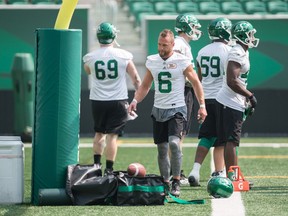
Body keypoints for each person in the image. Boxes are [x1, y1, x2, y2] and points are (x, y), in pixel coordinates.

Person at [128, 29, 207, 196]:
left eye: (165, 45)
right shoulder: (152, 61)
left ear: (173, 45)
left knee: (173, 143)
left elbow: (196, 83)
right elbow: (145, 86)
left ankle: (176, 181)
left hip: (177, 107)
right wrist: (135, 101)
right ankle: (165, 182)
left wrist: (202, 105)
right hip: (158, 109)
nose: (161, 48)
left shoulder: (182, 60)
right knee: (162, 148)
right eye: (159, 44)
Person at [83, 22, 141, 175]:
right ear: (114, 36)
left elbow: (88, 71)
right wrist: (137, 97)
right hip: (118, 100)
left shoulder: (90, 57)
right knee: (112, 137)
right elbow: (135, 78)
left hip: (97, 100)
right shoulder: (124, 55)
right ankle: (109, 169)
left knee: (99, 134)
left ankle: (96, 166)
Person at [188, 17, 233, 186]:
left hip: (205, 99)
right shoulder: (229, 51)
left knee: (206, 137)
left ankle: (195, 170)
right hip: (223, 99)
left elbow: (198, 79)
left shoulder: (202, 51)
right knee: (222, 139)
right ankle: (218, 172)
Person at [215, 21, 259, 178]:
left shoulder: (243, 51)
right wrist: (250, 95)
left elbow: (240, 80)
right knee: (231, 141)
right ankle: (232, 176)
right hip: (230, 102)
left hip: (234, 101)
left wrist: (245, 99)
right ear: (243, 35)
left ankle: (233, 175)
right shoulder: (237, 52)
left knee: (232, 141)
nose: (253, 37)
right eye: (250, 34)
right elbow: (232, 81)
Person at [172, 14, 202, 185]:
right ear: (187, 26)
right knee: (178, 135)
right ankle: (175, 173)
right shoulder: (179, 44)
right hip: (181, 91)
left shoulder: (182, 44)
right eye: (194, 26)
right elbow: (175, 67)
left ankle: (174, 172)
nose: (196, 30)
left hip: (182, 91)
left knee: (178, 135)